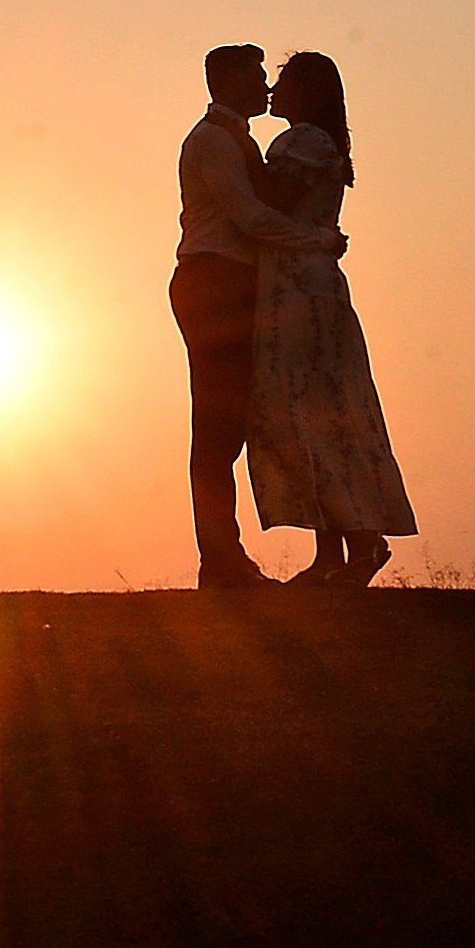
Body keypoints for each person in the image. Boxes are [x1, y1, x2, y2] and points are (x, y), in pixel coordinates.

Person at [170, 44, 347, 590]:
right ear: (224, 80)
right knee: (218, 429)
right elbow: (249, 219)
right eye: (255, 76)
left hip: (236, 284)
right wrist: (319, 240)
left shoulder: (239, 141)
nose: (265, 87)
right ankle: (220, 560)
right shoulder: (214, 142)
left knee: (237, 424)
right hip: (214, 282)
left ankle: (228, 558)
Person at [247, 49, 416, 588]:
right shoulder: (319, 144)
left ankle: (359, 544)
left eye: (285, 81)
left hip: (300, 288)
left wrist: (240, 166)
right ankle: (334, 552)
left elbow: (270, 203)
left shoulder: (304, 144)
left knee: (312, 411)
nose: (274, 89)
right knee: (315, 415)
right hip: (300, 282)